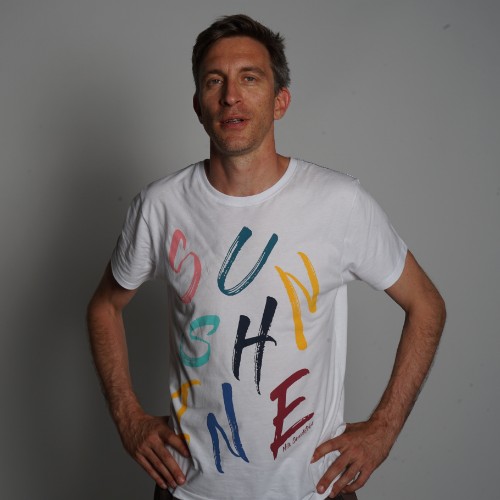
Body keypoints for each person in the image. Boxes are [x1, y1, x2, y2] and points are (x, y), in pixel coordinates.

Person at [87, 14, 446, 500]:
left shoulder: (339, 203)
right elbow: (104, 307)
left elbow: (427, 305)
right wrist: (128, 417)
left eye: (250, 78)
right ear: (197, 105)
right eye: (214, 81)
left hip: (312, 491)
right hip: (189, 490)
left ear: (280, 101)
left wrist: (384, 429)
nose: (230, 96)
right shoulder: (160, 206)